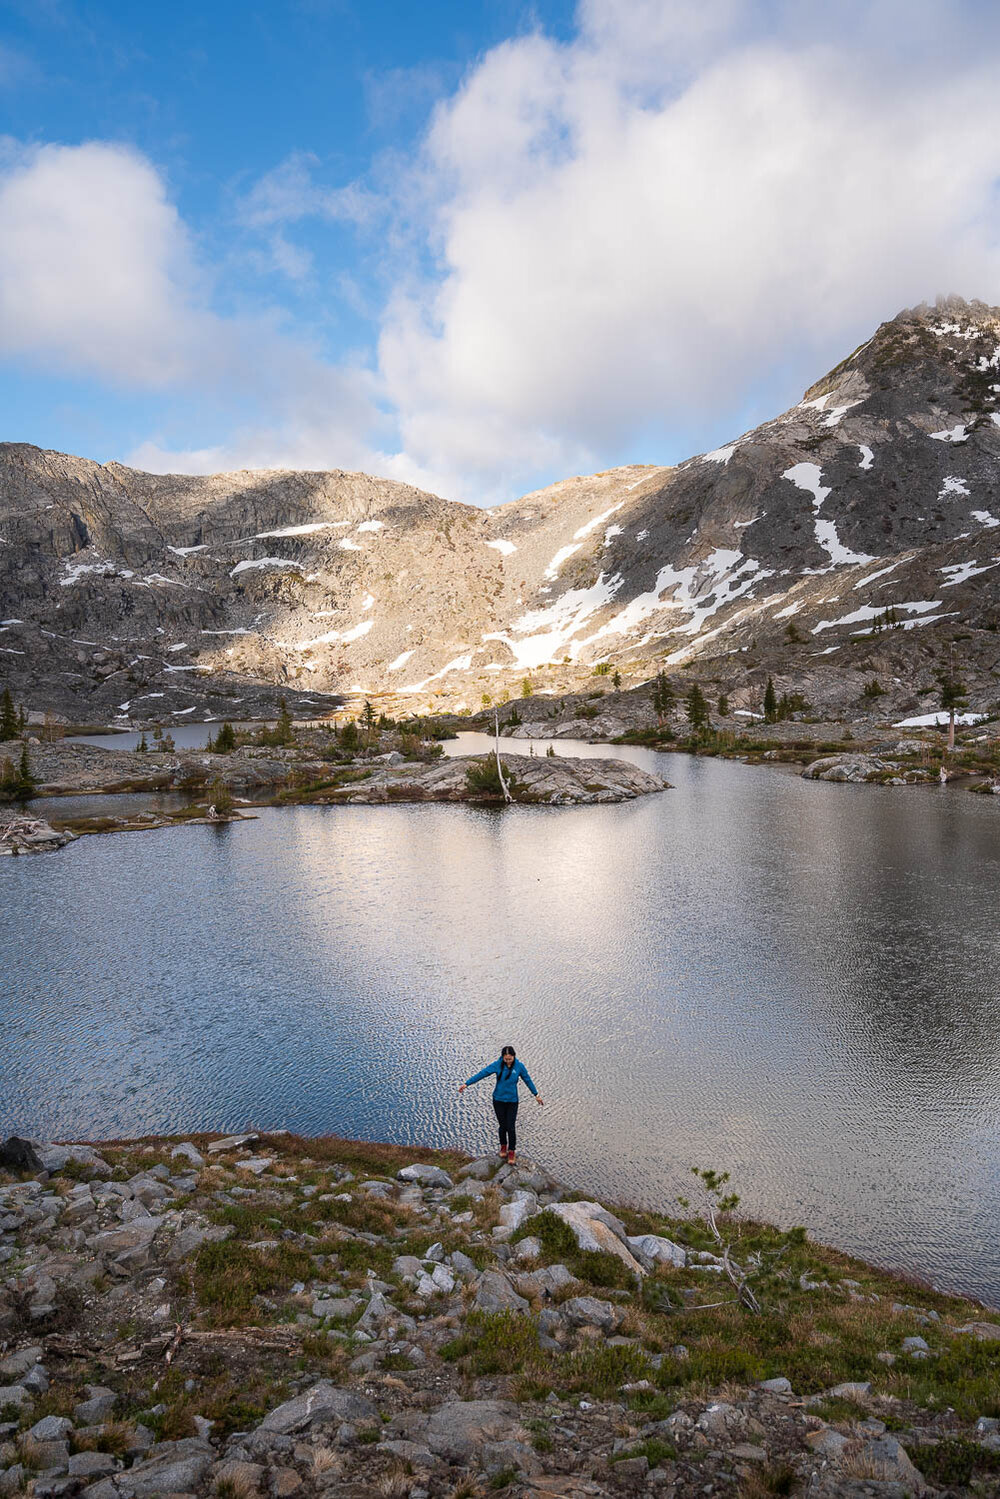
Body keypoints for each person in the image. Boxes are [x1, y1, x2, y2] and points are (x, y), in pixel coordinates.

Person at [458, 1046, 543, 1164]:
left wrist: (536, 1094)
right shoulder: (497, 1065)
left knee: (511, 1127)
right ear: (502, 1057)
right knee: (503, 1126)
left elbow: (527, 1080)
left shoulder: (519, 1066)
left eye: (510, 1059)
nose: (508, 1061)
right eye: (506, 1059)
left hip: (512, 1101)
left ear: (514, 1056)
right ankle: (503, 1147)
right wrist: (467, 1084)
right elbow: (483, 1073)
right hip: (498, 1100)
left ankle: (511, 1151)